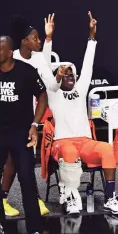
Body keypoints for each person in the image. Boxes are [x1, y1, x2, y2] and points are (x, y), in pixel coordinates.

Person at [47, 12, 118, 215]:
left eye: (72, 74)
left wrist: (92, 36)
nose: (71, 77)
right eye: (66, 75)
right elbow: (46, 68)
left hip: (85, 141)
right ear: (58, 77)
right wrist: (48, 39)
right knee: (70, 152)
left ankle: (110, 197)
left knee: (107, 149)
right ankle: (71, 197)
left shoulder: (80, 90)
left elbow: (88, 64)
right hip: (63, 143)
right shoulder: (52, 93)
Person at [3, 14, 56, 217]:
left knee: (23, 162)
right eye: (35, 37)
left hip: (29, 118)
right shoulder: (10, 57)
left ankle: (28, 199)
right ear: (24, 41)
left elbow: (49, 85)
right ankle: (6, 198)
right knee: (12, 162)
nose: (39, 40)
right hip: (9, 120)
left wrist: (49, 39)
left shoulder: (38, 59)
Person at [0, 35, 47, 234]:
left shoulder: (26, 71)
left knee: (27, 178)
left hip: (22, 133)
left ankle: (34, 228)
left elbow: (43, 97)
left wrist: (35, 124)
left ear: (9, 52)